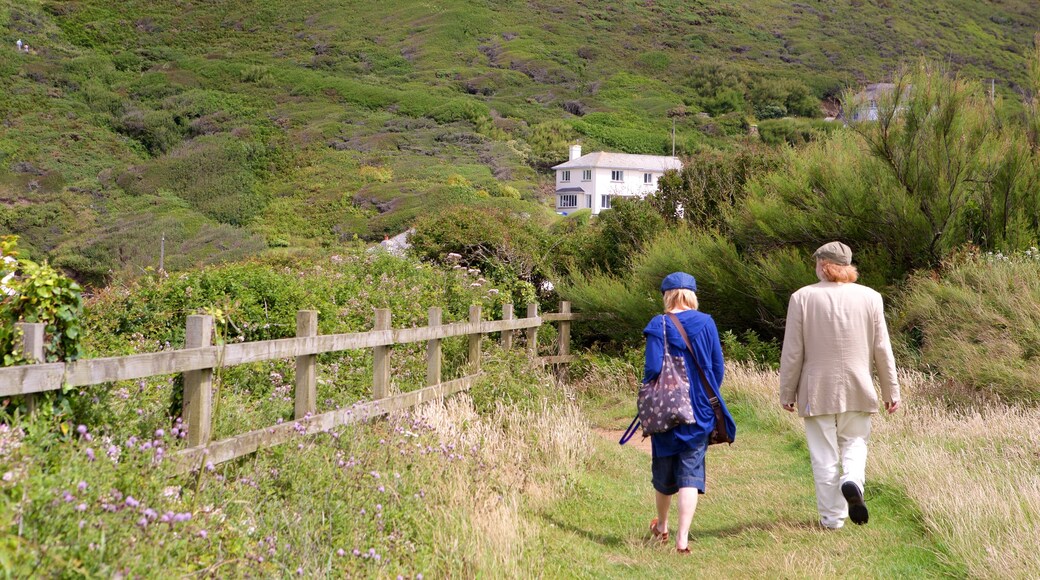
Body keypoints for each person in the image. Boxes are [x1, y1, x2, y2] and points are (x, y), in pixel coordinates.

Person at [779, 241, 900, 529]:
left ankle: (832, 518)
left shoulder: (802, 298)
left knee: (824, 454)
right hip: (858, 385)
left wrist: (787, 391)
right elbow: (882, 348)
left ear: (823, 265)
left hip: (816, 389)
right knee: (855, 441)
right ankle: (852, 479)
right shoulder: (871, 297)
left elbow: (793, 351)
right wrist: (891, 390)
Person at [642, 272, 736, 553]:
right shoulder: (706, 323)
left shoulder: (657, 325)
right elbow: (717, 368)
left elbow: (652, 368)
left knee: (664, 471)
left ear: (667, 295)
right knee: (690, 474)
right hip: (699, 411)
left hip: (666, 412)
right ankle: (683, 538)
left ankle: (662, 527)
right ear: (692, 295)